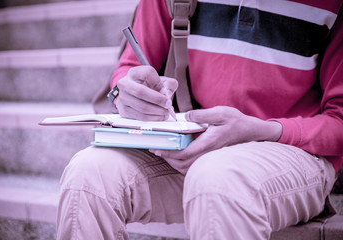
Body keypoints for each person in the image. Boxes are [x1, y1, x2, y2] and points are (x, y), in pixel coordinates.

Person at [56, 0, 343, 239]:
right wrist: (126, 94)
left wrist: (261, 130)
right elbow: (128, 69)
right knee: (88, 173)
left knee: (219, 177)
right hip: (186, 149)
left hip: (292, 152)